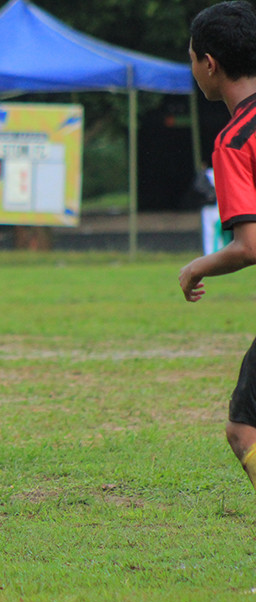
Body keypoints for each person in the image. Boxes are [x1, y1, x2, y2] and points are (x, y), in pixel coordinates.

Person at [179, 1, 256, 499]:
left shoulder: (235, 140)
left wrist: (195, 267)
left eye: (191, 59)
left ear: (210, 63)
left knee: (244, 430)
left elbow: (251, 245)